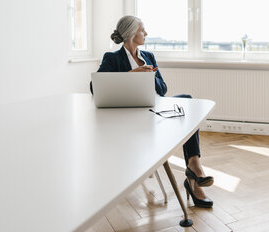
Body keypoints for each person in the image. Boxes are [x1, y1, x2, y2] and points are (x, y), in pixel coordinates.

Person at [91, 15, 213, 208]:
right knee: (185, 107)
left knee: (187, 101)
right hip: (132, 116)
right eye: (142, 30)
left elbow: (163, 90)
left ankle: (194, 165)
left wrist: (151, 76)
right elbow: (95, 87)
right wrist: (131, 76)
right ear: (132, 33)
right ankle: (194, 176)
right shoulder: (112, 58)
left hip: (156, 108)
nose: (146, 33)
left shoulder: (148, 57)